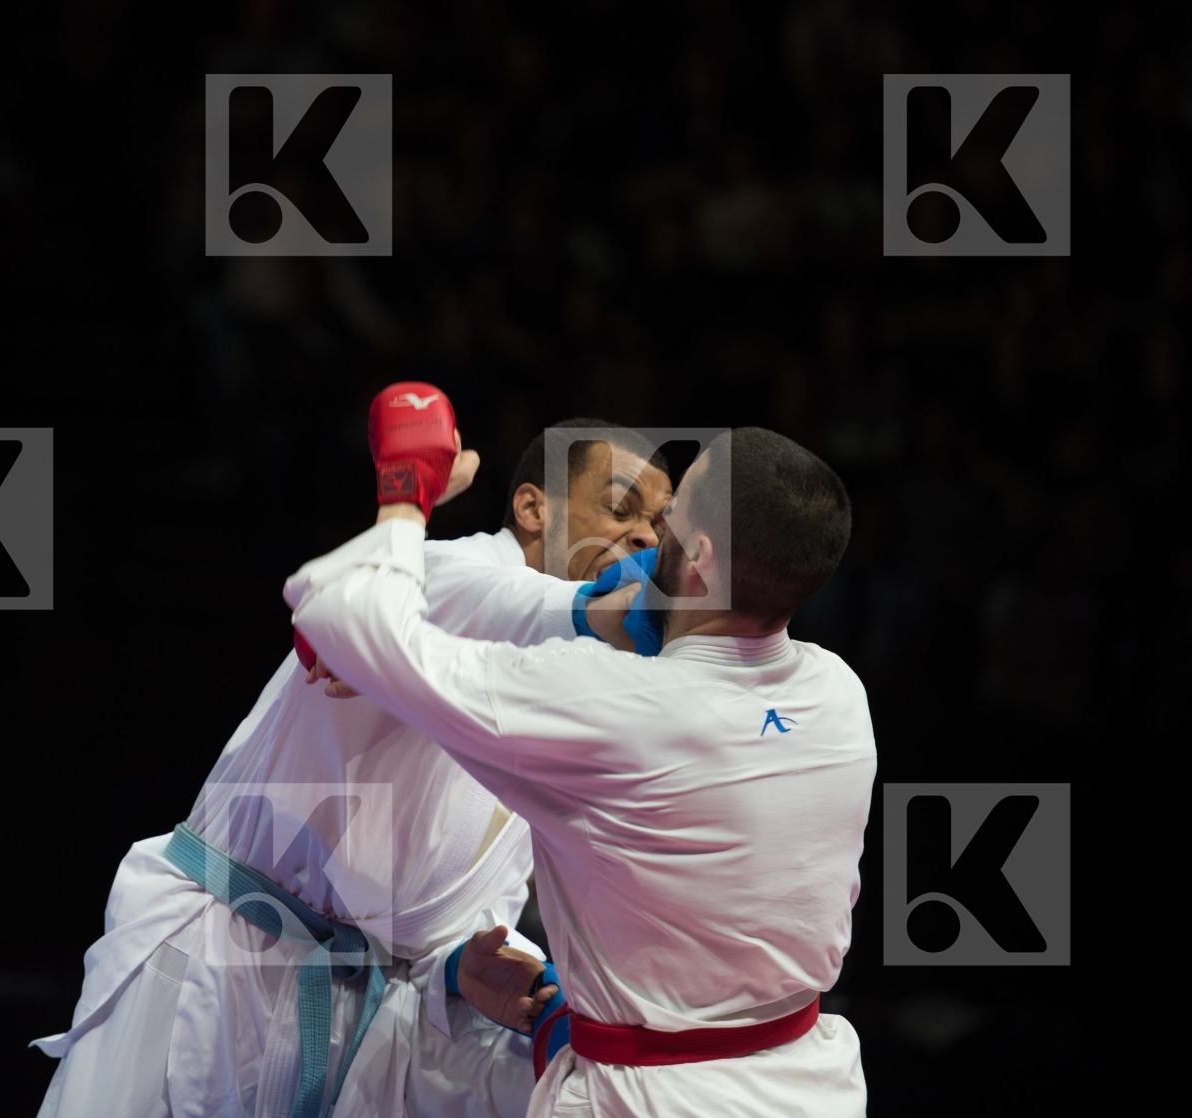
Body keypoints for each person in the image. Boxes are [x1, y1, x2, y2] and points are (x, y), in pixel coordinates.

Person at [33, 386, 672, 1118]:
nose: (649, 539)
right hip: (219, 962)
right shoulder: (439, 577)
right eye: (623, 511)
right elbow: (572, 611)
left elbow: (458, 903)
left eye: (662, 523)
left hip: (364, 1020)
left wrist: (462, 969)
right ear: (533, 509)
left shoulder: (575, 691)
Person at [286, 408, 875, 1118]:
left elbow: (340, 615)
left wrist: (408, 499)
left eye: (672, 514)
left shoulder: (610, 702)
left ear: (701, 559)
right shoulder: (840, 693)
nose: (649, 536)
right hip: (813, 1085)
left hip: (649, 1100)